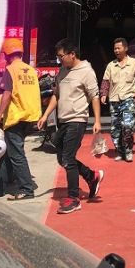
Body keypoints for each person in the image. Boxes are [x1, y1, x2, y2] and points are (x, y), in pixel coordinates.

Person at [37, 39, 103, 215]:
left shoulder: (86, 71)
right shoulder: (63, 71)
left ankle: (73, 199)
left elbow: (94, 96)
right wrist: (45, 115)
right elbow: (56, 95)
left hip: (77, 120)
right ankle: (91, 176)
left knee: (67, 158)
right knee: (62, 157)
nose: (59, 60)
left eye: (61, 56)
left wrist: (97, 120)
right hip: (63, 120)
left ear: (72, 54)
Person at [0, 38, 41, 200]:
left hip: (16, 117)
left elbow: (7, 94)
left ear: (7, 54)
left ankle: (27, 189)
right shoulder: (30, 70)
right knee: (9, 152)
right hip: (30, 117)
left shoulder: (11, 70)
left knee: (17, 155)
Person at [101, 38, 135, 162]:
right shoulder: (111, 65)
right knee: (115, 129)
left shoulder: (134, 63)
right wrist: (103, 93)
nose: (116, 50)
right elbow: (105, 81)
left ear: (125, 48)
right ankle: (120, 151)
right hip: (114, 100)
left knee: (127, 125)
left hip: (128, 98)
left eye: (118, 48)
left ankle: (128, 151)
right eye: (115, 48)